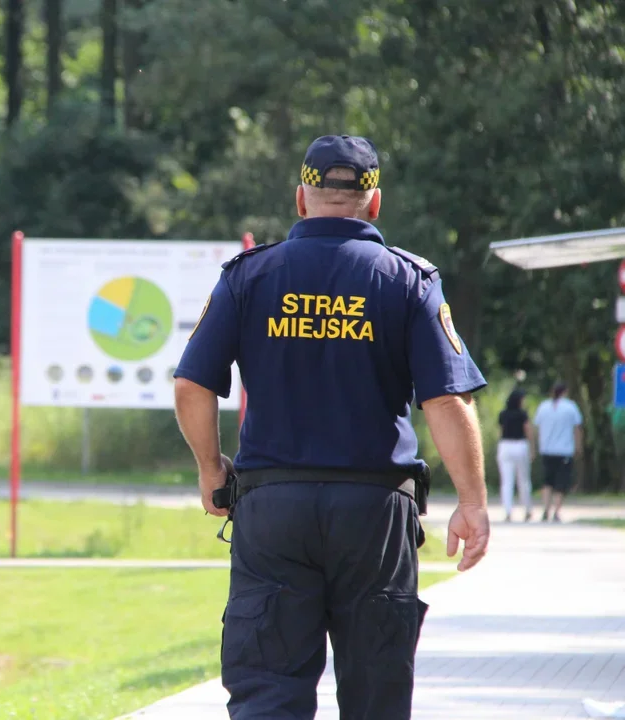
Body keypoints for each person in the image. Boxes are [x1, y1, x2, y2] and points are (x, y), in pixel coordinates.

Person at [173, 135, 491, 720]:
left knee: (268, 695)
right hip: (373, 516)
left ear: (301, 199)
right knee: (375, 695)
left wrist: (210, 467)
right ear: (374, 204)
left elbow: (192, 385)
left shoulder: (248, 277)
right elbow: (446, 400)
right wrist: (471, 501)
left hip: (273, 511)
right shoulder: (409, 281)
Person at [533, 381, 583, 523]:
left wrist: (538, 445)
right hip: (564, 450)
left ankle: (546, 509)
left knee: (547, 481)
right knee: (561, 482)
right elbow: (577, 429)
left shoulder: (543, 407)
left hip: (547, 450)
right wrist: (578, 447)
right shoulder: (570, 407)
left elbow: (537, 427)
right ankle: (556, 511)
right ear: (565, 392)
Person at [497, 388, 535, 522]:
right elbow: (528, 431)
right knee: (523, 480)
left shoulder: (503, 414)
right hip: (520, 445)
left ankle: (508, 511)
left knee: (507, 481)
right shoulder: (522, 414)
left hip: (505, 446)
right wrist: (532, 449)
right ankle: (527, 509)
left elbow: (500, 431)